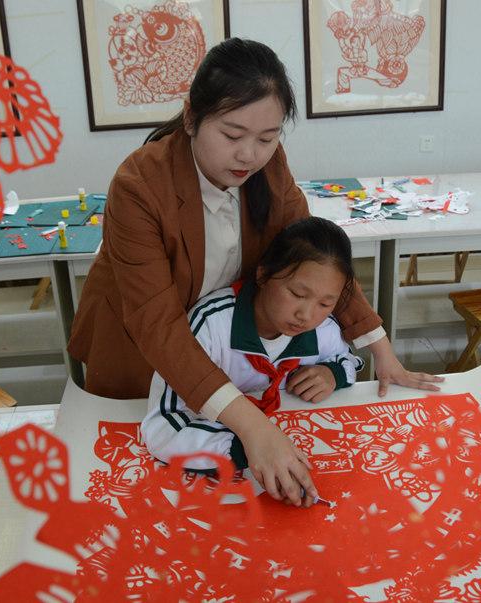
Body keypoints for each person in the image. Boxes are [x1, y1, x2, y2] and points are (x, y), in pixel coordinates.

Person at [68, 37, 442, 507]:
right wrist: (251, 425)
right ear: (190, 117)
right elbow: (156, 324)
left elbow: (315, 257)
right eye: (232, 135)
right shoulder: (139, 185)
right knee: (138, 491)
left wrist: (379, 348)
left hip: (218, 348)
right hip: (139, 352)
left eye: (267, 139)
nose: (249, 155)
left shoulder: (268, 168)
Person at [141, 217, 363, 506]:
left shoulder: (321, 329)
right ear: (263, 275)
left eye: (325, 303)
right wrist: (246, 447)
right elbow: (161, 428)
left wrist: (332, 373)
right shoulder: (210, 324)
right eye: (297, 294)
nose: (307, 315)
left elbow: (351, 362)